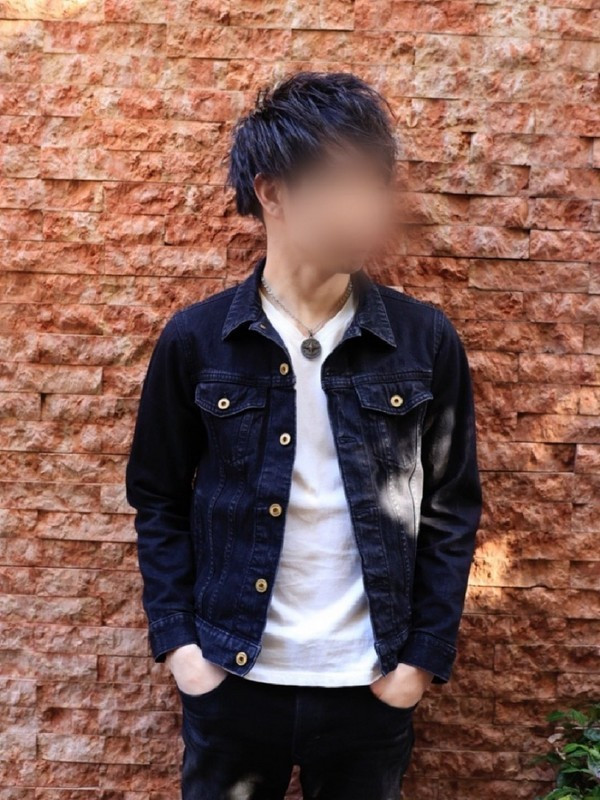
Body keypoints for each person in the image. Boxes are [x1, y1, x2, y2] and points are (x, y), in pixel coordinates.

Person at [125, 70, 483, 800]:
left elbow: (452, 509)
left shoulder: (424, 340)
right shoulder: (198, 341)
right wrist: (183, 648)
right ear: (273, 192)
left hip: (369, 684)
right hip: (233, 677)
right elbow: (157, 497)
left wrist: (418, 662)